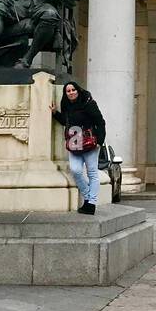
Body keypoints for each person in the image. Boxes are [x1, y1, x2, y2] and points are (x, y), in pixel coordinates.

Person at [53, 81, 106, 215]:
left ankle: (91, 203)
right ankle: (88, 197)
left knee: (92, 173)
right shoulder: (66, 106)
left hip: (90, 142)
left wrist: (100, 141)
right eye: (68, 91)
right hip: (74, 143)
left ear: (78, 90)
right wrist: (54, 113)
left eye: (73, 90)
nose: (71, 93)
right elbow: (66, 121)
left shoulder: (88, 103)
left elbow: (100, 122)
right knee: (75, 170)